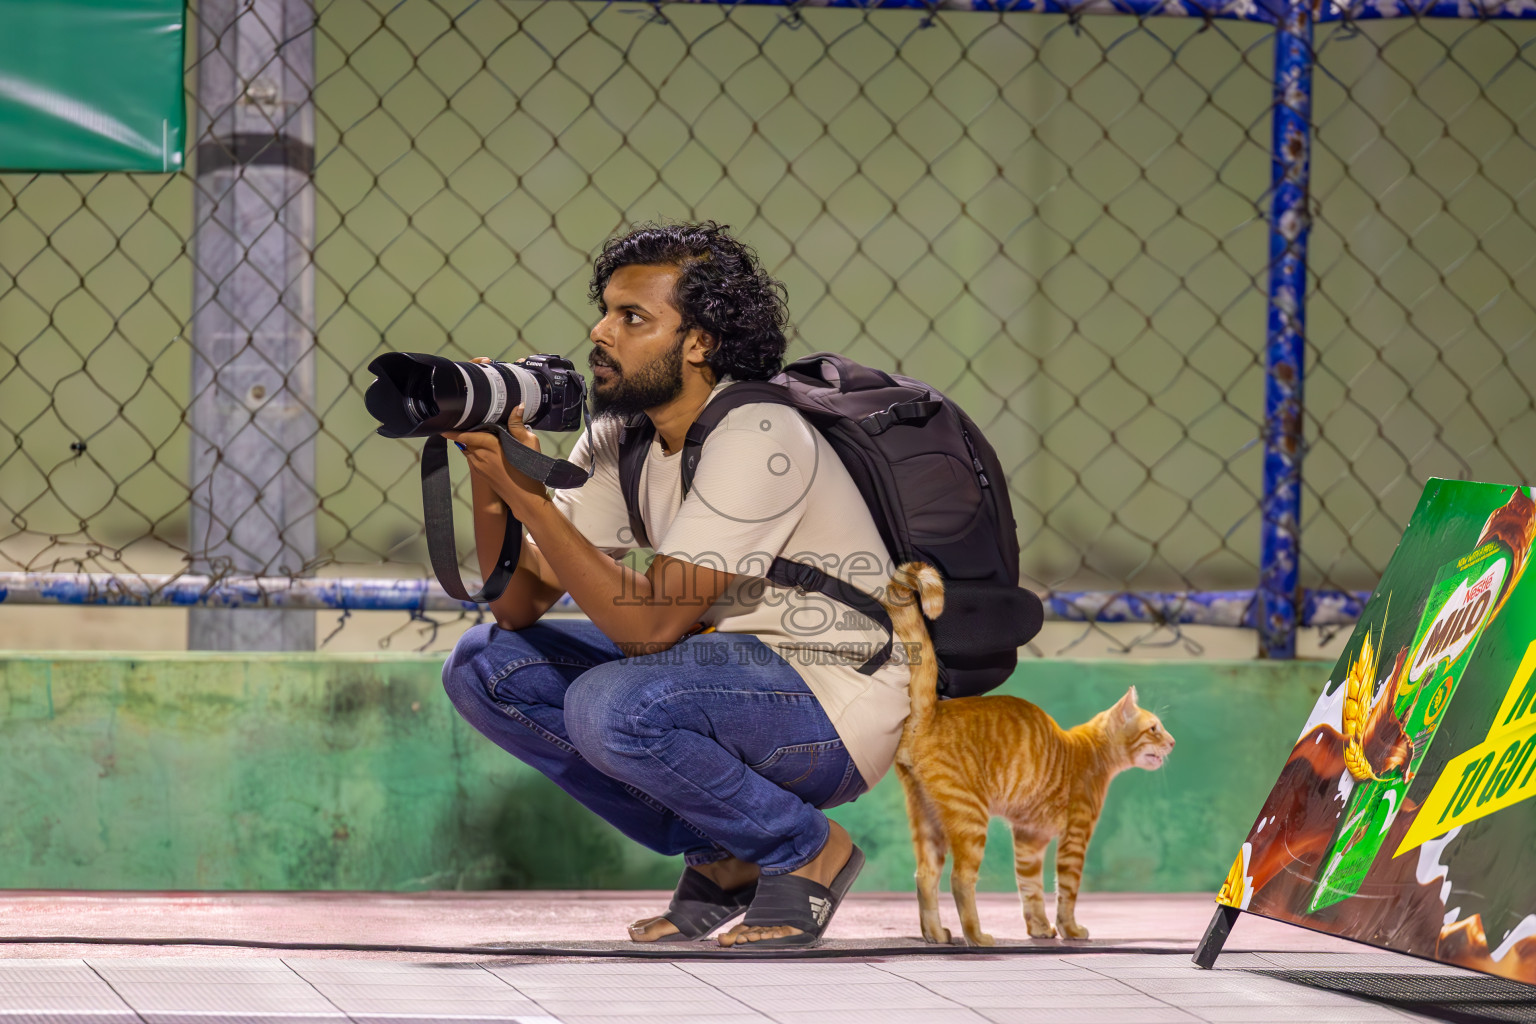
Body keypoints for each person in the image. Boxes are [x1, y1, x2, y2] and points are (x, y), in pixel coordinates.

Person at [440, 222, 911, 947]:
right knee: (485, 665)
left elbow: (650, 629)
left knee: (614, 703)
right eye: (604, 310)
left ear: (699, 343)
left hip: (833, 698)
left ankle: (807, 851)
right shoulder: (619, 436)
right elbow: (518, 602)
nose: (600, 331)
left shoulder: (758, 433)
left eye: (632, 318)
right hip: (723, 680)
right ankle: (724, 857)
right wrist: (493, 478)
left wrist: (529, 495)